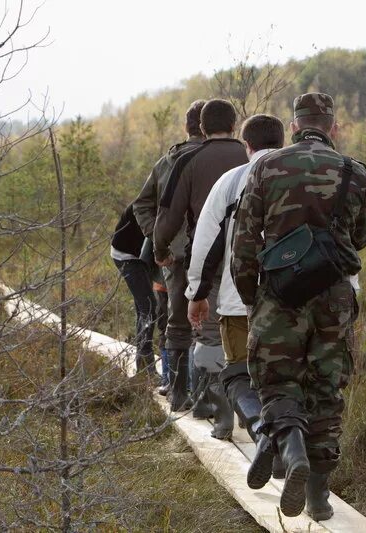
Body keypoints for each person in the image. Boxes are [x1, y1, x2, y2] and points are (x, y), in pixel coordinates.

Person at [231, 93, 366, 520]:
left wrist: (251, 296)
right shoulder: (355, 172)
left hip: (278, 294)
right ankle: (318, 496)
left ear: (293, 125)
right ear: (332, 127)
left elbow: (244, 240)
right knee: (326, 390)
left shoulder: (266, 166)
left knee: (278, 382)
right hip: (333, 297)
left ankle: (291, 451)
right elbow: (363, 235)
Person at [185, 114, 284, 442]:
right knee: (282, 379)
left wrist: (196, 294)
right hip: (291, 301)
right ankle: (286, 448)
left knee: (239, 372)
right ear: (282, 141)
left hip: (238, 300)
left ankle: (257, 433)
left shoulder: (231, 181)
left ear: (247, 145)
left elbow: (206, 242)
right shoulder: (296, 176)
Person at [153, 98, 248, 414]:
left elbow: (169, 214)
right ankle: (243, 404)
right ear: (234, 125)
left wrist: (161, 249)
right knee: (244, 323)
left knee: (194, 324)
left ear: (202, 128)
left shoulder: (188, 160)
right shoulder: (251, 157)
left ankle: (198, 399)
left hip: (204, 253)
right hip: (249, 254)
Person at [132, 100, 206, 398]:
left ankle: (178, 389)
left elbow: (141, 205)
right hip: (202, 254)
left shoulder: (168, 160)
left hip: (171, 257)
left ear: (187, 127)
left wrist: (160, 238)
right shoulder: (224, 158)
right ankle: (197, 391)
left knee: (173, 320)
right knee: (208, 322)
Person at [110, 203, 158, 373]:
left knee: (144, 308)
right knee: (149, 307)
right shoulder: (145, 204)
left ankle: (143, 363)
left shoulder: (161, 201)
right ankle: (145, 367)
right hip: (127, 256)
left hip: (140, 256)